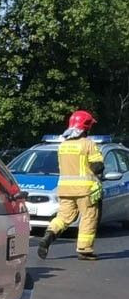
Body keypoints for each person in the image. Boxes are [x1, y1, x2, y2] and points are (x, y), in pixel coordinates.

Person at [37, 110, 104, 261]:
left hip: (65, 189)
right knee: (89, 217)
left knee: (63, 217)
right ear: (86, 127)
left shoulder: (63, 146)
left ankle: (48, 235)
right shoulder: (88, 144)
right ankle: (85, 249)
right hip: (85, 190)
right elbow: (97, 167)